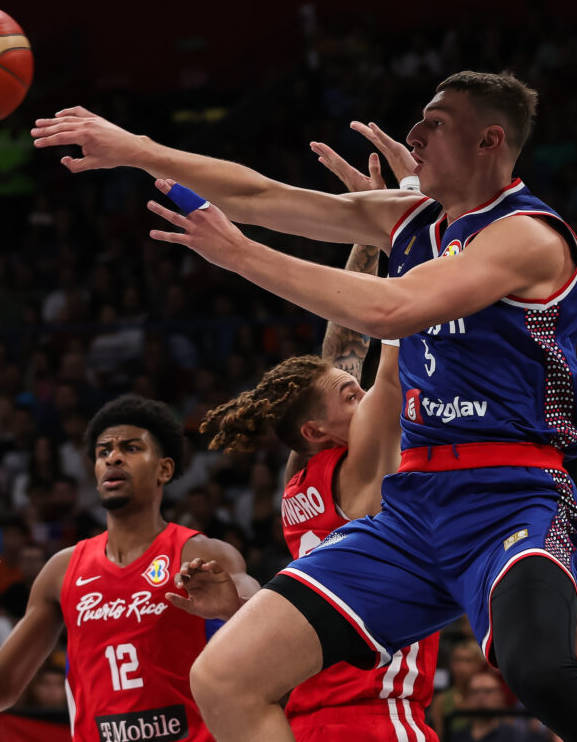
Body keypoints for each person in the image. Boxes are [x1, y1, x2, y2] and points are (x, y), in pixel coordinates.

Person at [31, 70, 577, 741]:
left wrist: (241, 256)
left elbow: (391, 307)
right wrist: (137, 149)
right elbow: (262, 194)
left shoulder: (528, 236)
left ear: (488, 141)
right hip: (414, 508)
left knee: (540, 672)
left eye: (435, 123)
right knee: (224, 677)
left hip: (512, 493)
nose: (414, 134)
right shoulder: (410, 224)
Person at [191, 132, 438, 740]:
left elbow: (343, 350)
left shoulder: (300, 482)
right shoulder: (364, 470)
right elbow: (398, 330)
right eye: (347, 397)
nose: (358, 391)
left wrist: (364, 238)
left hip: (302, 717)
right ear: (316, 429)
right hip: (378, 717)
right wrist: (403, 218)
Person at [0, 394, 259, 740]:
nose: (113, 458)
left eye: (131, 448)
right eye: (104, 452)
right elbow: (2, 683)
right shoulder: (62, 570)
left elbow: (267, 619)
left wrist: (235, 608)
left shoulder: (202, 554)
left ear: (164, 468)